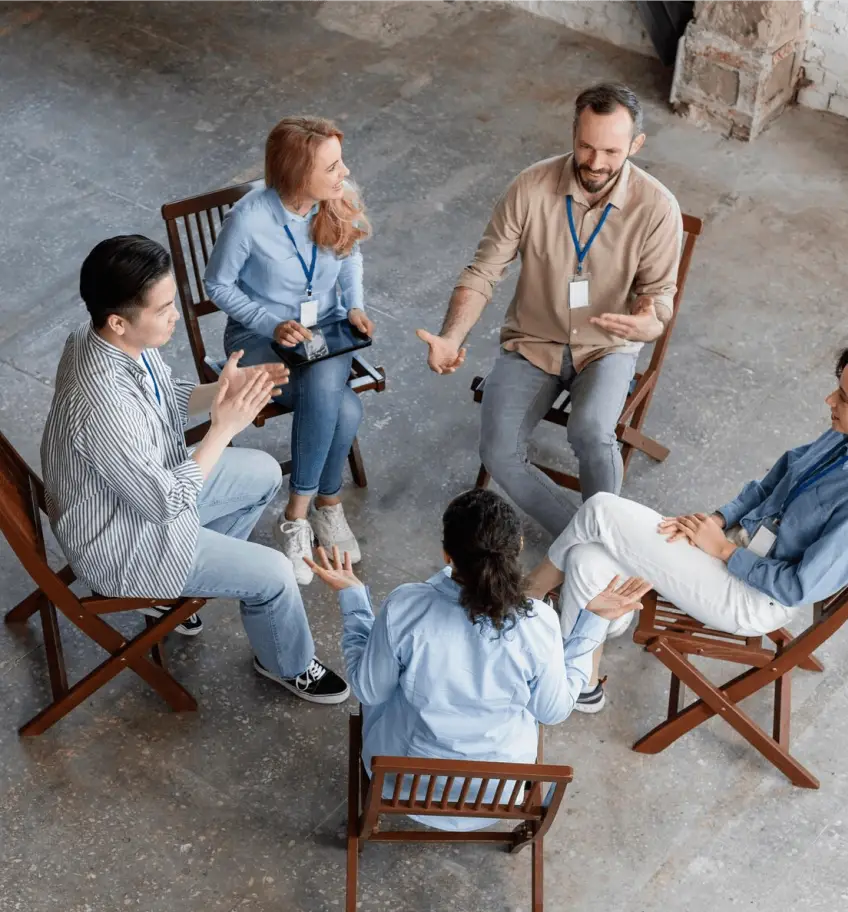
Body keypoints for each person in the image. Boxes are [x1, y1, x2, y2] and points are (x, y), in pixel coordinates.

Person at [526, 343, 848, 711]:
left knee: (600, 509)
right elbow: (773, 482)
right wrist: (719, 520)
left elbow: (800, 587)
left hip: (751, 594)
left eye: (844, 397)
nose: (829, 399)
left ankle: (520, 602)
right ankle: (583, 686)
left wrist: (722, 550)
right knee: (585, 558)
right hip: (734, 545)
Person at [40, 235, 350, 704]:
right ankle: (285, 662)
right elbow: (165, 503)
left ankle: (180, 592)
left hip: (136, 499)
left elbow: (165, 395)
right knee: (272, 574)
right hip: (124, 543)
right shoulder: (100, 401)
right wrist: (222, 428)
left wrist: (221, 391)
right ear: (119, 321)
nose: (173, 317)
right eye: (163, 309)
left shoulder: (101, 338)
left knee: (264, 472)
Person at [416, 82, 682, 537]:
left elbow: (658, 300)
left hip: (606, 348)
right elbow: (483, 272)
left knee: (592, 434)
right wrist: (452, 336)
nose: (596, 163)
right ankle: (585, 539)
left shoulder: (658, 208)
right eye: (586, 146)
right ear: (572, 132)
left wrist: (645, 324)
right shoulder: (530, 187)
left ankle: (600, 538)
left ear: (636, 144)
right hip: (533, 341)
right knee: (497, 453)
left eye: (612, 151)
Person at [306, 489, 650, 829]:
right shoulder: (539, 623)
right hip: (497, 795)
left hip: (404, 785)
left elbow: (370, 692)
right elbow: (553, 711)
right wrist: (592, 624)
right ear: (517, 547)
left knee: (388, 682)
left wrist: (354, 602)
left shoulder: (406, 607)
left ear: (447, 555)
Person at [204, 115, 373, 583]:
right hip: (258, 338)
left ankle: (298, 515)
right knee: (344, 408)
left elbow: (351, 254)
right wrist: (271, 323)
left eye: (340, 163)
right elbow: (217, 284)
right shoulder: (249, 219)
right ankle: (323, 503)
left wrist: (355, 306)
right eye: (332, 167)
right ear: (300, 175)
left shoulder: (336, 198)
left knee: (328, 383)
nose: (344, 174)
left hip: (323, 330)